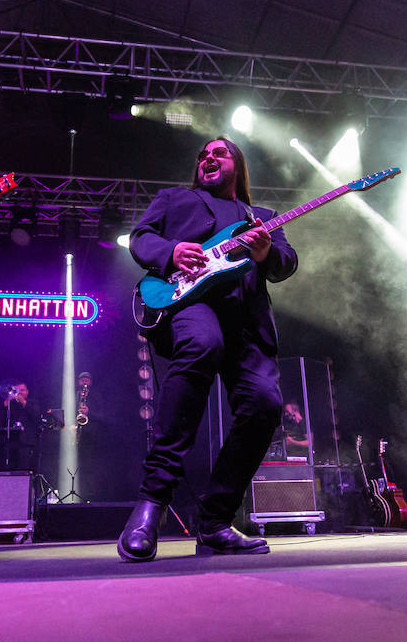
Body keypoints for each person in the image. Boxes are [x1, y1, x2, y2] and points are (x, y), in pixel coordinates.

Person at [117, 136, 298, 561]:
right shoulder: (174, 199)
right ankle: (150, 505)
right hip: (191, 303)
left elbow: (286, 263)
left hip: (248, 325)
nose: (207, 158)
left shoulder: (263, 217)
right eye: (202, 154)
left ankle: (216, 521)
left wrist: (268, 252)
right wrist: (171, 251)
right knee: (203, 343)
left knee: (264, 404)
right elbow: (141, 237)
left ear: (239, 165)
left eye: (219, 152)